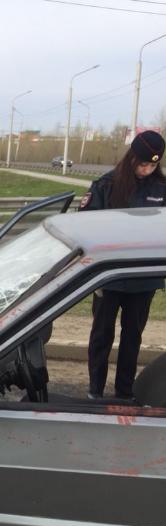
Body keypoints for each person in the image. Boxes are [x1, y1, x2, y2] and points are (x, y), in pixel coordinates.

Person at [80, 130, 166, 399]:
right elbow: (85, 225)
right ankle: (95, 390)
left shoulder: (161, 189)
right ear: (131, 159)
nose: (147, 169)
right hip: (109, 277)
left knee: (132, 337)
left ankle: (124, 392)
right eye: (143, 164)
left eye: (153, 164)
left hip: (143, 280)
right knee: (101, 336)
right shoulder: (107, 185)